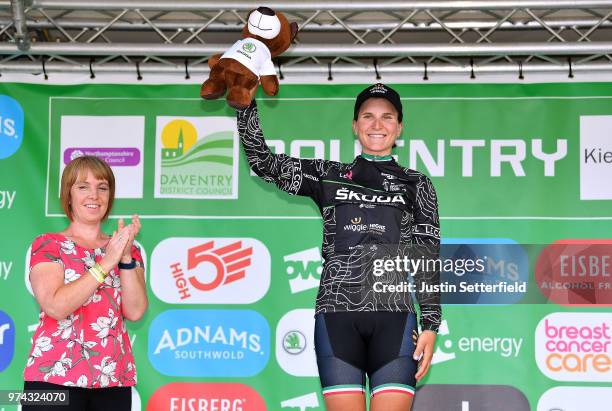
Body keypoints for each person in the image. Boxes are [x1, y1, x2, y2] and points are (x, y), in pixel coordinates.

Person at [237, 83, 441, 411]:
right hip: (337, 317)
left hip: (395, 319)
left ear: (399, 127)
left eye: (387, 117)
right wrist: (244, 106)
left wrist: (431, 323)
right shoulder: (328, 176)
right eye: (368, 116)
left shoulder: (417, 183)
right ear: (355, 125)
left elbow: (427, 253)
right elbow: (264, 163)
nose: (377, 125)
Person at [22, 155, 147, 411]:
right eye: (83, 187)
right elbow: (56, 306)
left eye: (102, 187)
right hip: (51, 378)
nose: (95, 195)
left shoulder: (126, 249)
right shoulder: (48, 244)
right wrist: (105, 263)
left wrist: (123, 258)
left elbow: (135, 312)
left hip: (112, 379)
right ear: (68, 195)